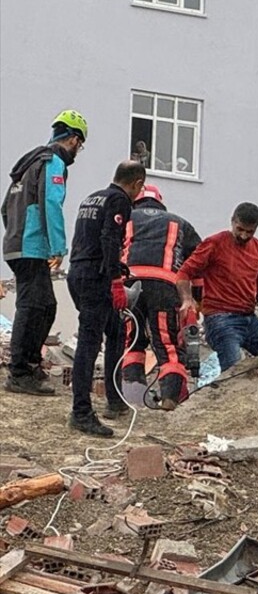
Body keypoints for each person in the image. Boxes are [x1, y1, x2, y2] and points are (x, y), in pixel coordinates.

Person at [2, 109, 88, 396]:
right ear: (74, 139)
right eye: (80, 144)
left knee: (45, 305)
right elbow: (51, 204)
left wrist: (16, 233)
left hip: (17, 243)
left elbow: (5, 209)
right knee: (32, 305)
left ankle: (30, 365)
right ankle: (20, 372)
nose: (78, 151)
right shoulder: (52, 162)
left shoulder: (27, 164)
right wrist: (58, 247)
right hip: (32, 246)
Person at [66, 161, 146, 436]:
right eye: (139, 188)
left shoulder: (93, 197)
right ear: (136, 184)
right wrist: (115, 281)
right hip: (95, 279)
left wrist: (115, 269)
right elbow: (109, 239)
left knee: (114, 330)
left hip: (77, 271)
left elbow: (90, 240)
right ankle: (81, 412)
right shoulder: (119, 200)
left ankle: (115, 399)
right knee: (89, 343)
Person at [177, 202, 258, 370]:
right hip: (220, 318)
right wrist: (186, 300)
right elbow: (184, 273)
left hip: (249, 318)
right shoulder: (215, 243)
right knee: (234, 370)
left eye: (249, 232)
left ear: (256, 228)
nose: (243, 236)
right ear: (232, 222)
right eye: (240, 229)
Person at [121, 184, 202, 410]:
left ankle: (133, 397)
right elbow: (198, 265)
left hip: (129, 286)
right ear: (160, 201)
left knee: (131, 342)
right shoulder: (180, 223)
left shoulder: (125, 217)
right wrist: (196, 299)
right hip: (165, 286)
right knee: (167, 344)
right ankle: (170, 398)